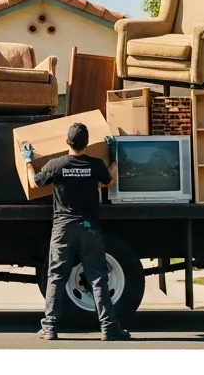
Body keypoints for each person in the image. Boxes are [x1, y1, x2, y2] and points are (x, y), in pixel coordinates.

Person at [25, 122, 131, 341]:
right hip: (89, 228)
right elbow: (110, 181)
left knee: (55, 277)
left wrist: (28, 161)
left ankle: (50, 328)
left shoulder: (56, 165)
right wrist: (114, 155)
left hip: (63, 229)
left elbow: (34, 183)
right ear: (87, 143)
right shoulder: (94, 164)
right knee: (98, 279)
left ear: (67, 142)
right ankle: (109, 329)